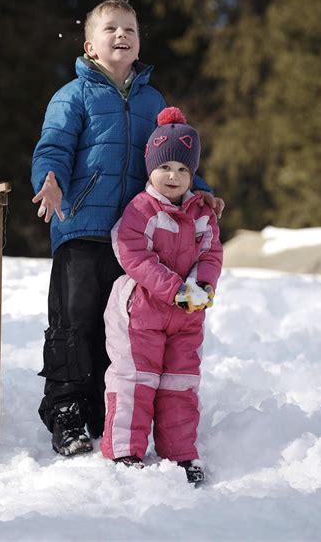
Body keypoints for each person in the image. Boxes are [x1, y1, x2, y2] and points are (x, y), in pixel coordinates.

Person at [31, 0, 224, 457]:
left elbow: (168, 161)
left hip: (137, 237)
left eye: (130, 30)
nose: (121, 35)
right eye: (111, 29)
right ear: (90, 46)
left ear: (138, 45)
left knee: (118, 327)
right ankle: (66, 411)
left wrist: (201, 190)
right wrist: (50, 181)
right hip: (81, 227)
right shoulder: (73, 95)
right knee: (74, 323)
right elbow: (53, 146)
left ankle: (103, 408)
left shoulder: (152, 101)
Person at [100, 106, 223, 484]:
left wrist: (201, 288)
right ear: (150, 167)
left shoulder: (202, 213)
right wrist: (175, 289)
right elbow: (132, 253)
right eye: (166, 166)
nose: (174, 176)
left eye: (184, 169)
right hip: (142, 310)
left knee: (180, 383)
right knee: (136, 379)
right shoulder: (142, 208)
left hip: (188, 314)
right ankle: (125, 449)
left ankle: (180, 453)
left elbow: (211, 253)